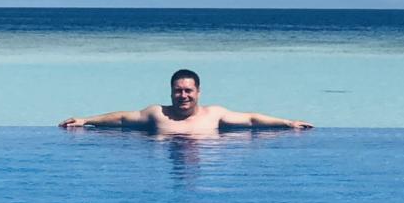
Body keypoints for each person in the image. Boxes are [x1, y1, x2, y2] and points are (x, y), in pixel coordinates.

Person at [60, 69, 314, 133]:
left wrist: (288, 123)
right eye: (178, 91)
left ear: (198, 92)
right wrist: (85, 121)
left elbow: (251, 120)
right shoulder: (157, 114)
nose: (183, 96)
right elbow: (123, 119)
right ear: (171, 92)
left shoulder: (214, 115)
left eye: (188, 91)